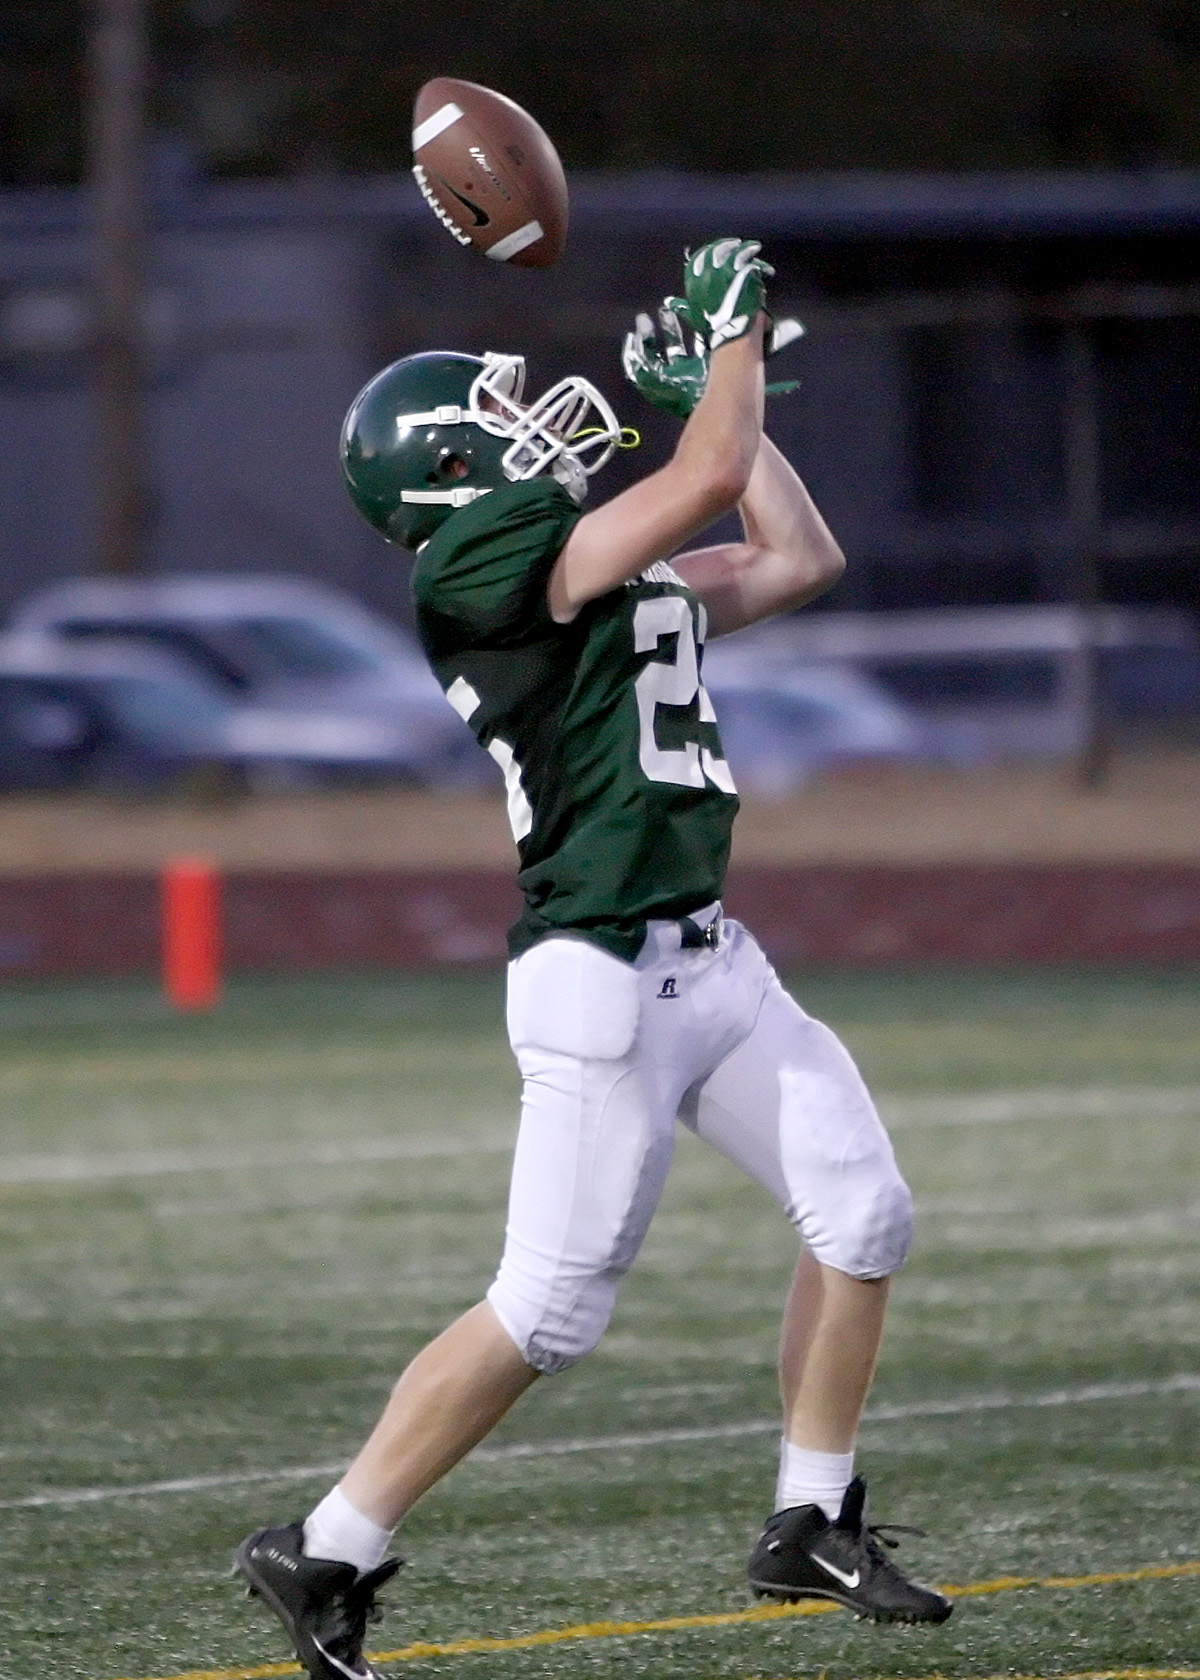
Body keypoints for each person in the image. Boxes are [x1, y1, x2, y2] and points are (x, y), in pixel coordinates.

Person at [233, 237, 952, 1680]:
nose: (530, 423)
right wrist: (730, 354)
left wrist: (731, 400)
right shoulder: (476, 567)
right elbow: (694, 480)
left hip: (714, 957)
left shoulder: (588, 567)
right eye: (493, 421)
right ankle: (327, 1549)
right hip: (602, 976)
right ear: (448, 477)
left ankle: (810, 1518)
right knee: (550, 1309)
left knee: (863, 1216)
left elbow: (795, 556)